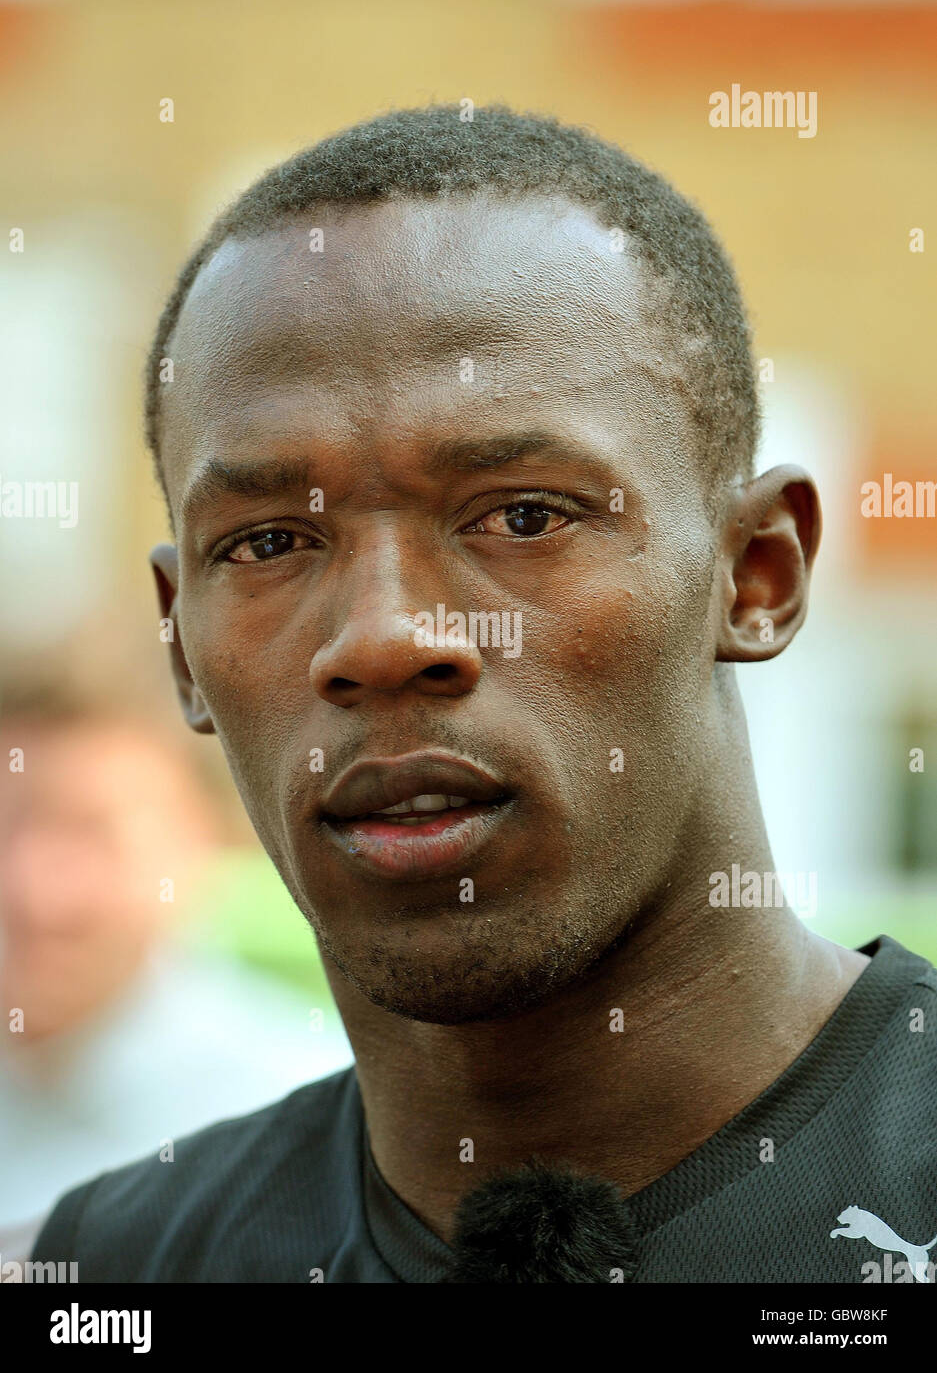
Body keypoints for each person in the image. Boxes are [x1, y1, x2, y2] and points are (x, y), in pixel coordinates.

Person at [32, 106, 937, 1283]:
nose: (383, 637)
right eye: (265, 544)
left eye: (522, 515)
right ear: (180, 650)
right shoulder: (104, 1281)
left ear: (757, 572)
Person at [0, 691, 351, 1261]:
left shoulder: (313, 1120)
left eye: (90, 835)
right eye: (7, 825)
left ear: (197, 848)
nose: (32, 889)